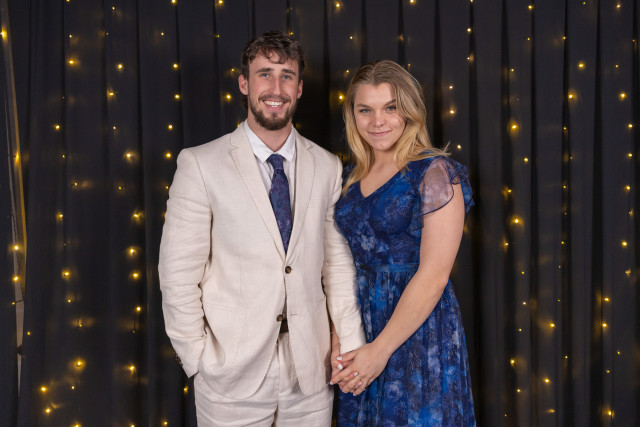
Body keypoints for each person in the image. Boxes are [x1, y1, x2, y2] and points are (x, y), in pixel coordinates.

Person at [158, 31, 365, 426]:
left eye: (287, 76)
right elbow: (177, 274)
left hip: (311, 369)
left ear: (299, 88)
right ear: (244, 84)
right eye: (264, 74)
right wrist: (198, 359)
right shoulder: (201, 164)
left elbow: (337, 267)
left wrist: (350, 343)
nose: (276, 88)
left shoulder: (327, 166)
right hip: (230, 373)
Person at [330, 60, 476, 425]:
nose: (377, 121)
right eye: (365, 110)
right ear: (353, 115)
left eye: (390, 108)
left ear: (409, 111)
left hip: (419, 329)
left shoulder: (435, 172)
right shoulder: (348, 177)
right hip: (360, 324)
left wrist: (379, 351)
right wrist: (338, 336)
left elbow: (434, 276)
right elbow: (337, 263)